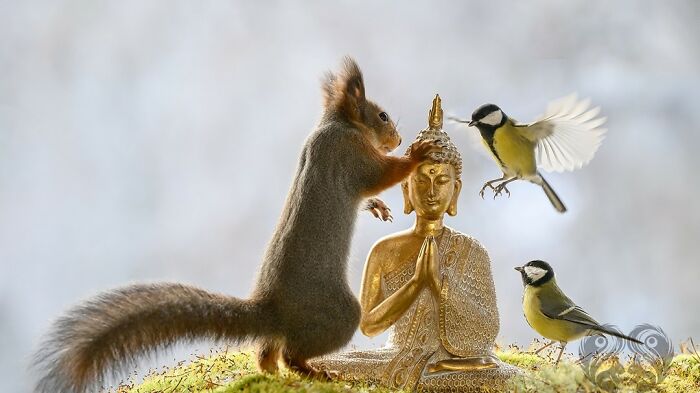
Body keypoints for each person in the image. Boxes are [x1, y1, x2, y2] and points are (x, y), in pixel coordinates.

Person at [311, 95, 519, 392]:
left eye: (441, 181)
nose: (431, 191)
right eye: (421, 181)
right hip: (395, 356)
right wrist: (416, 283)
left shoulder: (472, 252)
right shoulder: (385, 250)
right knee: (325, 365)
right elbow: (369, 325)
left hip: (454, 364)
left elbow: (487, 328)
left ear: (455, 190)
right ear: (406, 188)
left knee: (501, 375)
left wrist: (440, 285)